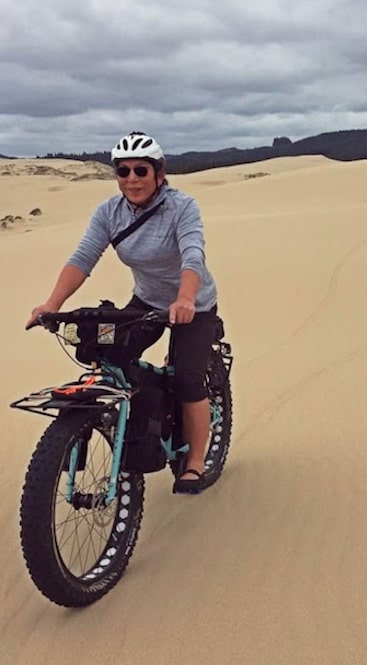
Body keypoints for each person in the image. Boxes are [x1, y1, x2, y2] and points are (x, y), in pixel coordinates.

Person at [26, 131, 221, 494]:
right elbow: (84, 258)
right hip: (146, 301)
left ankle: (196, 460)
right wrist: (52, 305)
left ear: (158, 173)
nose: (132, 179)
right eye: (123, 171)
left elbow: (193, 254)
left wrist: (186, 299)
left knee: (188, 381)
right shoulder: (109, 213)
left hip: (193, 304)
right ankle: (142, 421)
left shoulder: (182, 207)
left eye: (141, 170)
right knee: (111, 356)